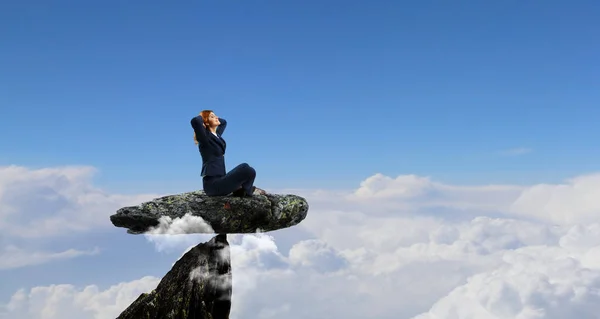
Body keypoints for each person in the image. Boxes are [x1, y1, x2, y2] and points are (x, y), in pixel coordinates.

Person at [191, 110, 266, 197]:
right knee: (245, 168)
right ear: (206, 122)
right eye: (212, 117)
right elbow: (195, 121)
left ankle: (243, 190)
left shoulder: (217, 135)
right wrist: (204, 118)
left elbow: (224, 122)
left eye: (216, 116)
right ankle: (247, 191)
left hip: (221, 179)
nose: (216, 117)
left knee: (249, 169)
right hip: (213, 185)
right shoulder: (204, 138)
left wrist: (212, 117)